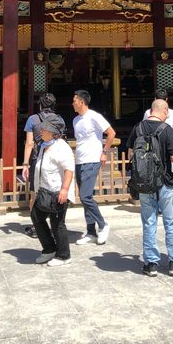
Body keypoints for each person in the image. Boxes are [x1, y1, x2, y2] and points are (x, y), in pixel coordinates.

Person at [127, 99, 173, 276]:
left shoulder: (138, 127)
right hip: (164, 182)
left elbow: (131, 152)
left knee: (148, 221)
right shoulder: (167, 130)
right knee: (172, 222)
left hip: (144, 182)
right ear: (165, 110)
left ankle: (151, 263)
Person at [72, 90, 116, 245]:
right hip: (79, 160)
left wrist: (104, 152)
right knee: (85, 198)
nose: (73, 103)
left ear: (82, 102)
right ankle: (90, 231)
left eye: (75, 100)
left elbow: (111, 133)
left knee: (85, 196)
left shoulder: (94, 116)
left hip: (92, 159)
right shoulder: (76, 120)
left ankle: (103, 225)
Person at [31, 114, 75, 267]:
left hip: (57, 191)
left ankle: (64, 255)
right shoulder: (44, 144)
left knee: (57, 223)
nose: (41, 131)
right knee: (36, 216)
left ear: (53, 131)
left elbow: (69, 169)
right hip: (44, 190)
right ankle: (49, 248)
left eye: (44, 129)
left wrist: (64, 189)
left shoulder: (61, 147)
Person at [21, 93, 65, 237]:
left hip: (38, 159)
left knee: (35, 193)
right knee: (54, 190)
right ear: (54, 105)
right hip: (55, 160)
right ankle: (55, 225)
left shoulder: (32, 119)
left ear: (39, 105)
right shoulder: (60, 120)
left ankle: (37, 227)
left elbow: (29, 143)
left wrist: (25, 163)